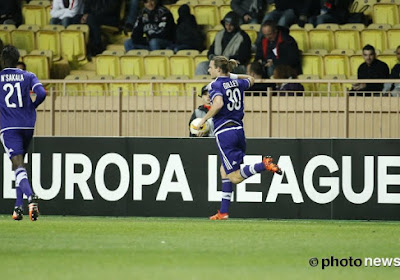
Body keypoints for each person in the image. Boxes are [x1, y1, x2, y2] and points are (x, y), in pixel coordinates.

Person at [194, 56, 282, 220]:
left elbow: (218, 104)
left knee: (234, 177)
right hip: (238, 131)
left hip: (225, 132)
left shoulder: (214, 85)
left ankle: (264, 165)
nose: (209, 69)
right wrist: (232, 76)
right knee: (224, 170)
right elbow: (251, 79)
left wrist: (204, 120)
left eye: (211, 67)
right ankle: (223, 212)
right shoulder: (236, 82)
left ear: (218, 69)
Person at [0, 45, 46, 221]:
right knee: (20, 165)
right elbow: (41, 93)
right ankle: (18, 208)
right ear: (18, 59)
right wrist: (31, 106)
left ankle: (30, 197)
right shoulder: (28, 76)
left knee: (17, 164)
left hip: (9, 127)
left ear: (3, 61)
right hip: (27, 125)